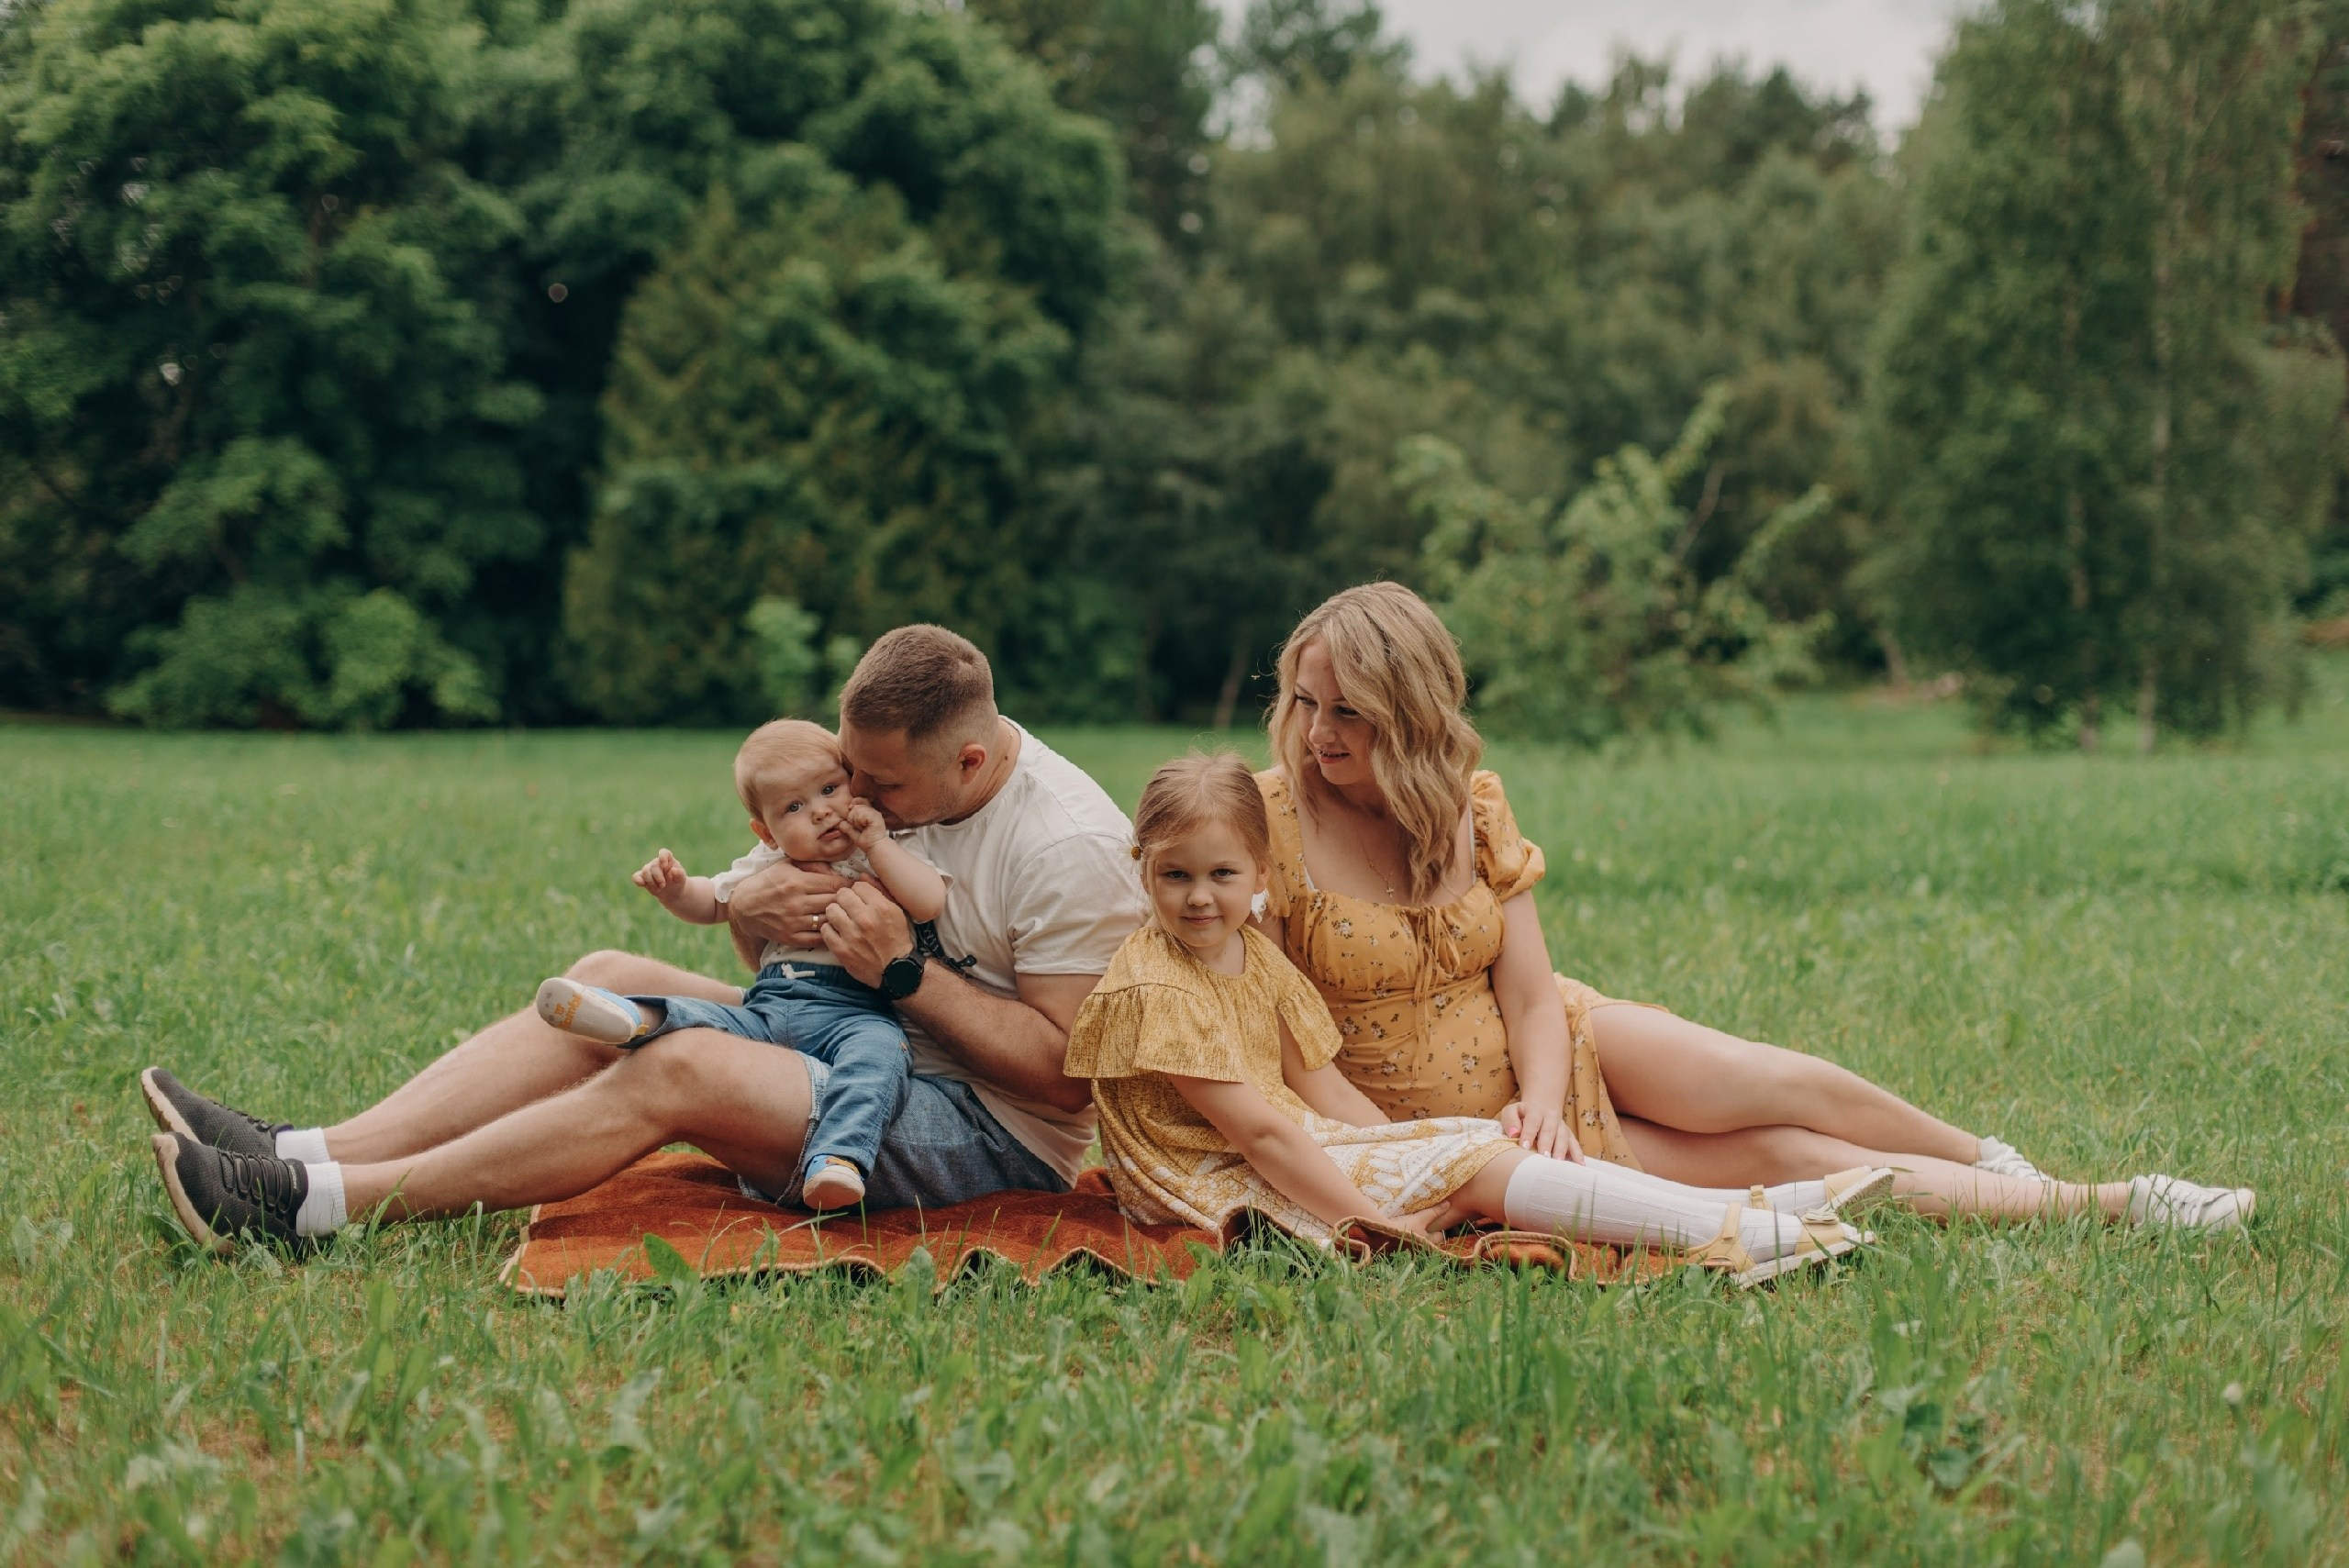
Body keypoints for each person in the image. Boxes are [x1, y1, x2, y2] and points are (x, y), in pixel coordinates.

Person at [1255, 582, 2255, 1231]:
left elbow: (1524, 994)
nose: (1319, 731)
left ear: (1412, 710)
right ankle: (2114, 1204)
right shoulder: (1267, 822)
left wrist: (1547, 1100)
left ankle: (1987, 1153)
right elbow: (1281, 1045)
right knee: (1795, 1163)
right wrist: (1503, 1140)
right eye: (1305, 701)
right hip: (1456, 1123)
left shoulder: (1468, 804)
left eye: (1348, 709)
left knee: (1781, 1079)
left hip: (1555, 1052)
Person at [142, 626, 1148, 1253]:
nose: (858, 804)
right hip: (846, 1030)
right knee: (607, 976)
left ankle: (314, 1206)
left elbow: (1069, 1081)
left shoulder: (1068, 846)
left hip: (984, 1133)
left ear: (970, 758)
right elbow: (788, 972)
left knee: (680, 1064)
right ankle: (305, 1147)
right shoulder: (900, 778)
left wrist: (904, 969)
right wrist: (757, 916)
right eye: (850, 776)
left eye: (878, 790)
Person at [1067, 753, 1884, 1286]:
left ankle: (1774, 1207)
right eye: (1173, 874)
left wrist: (1410, 1150)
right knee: (1472, 1165)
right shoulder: (1155, 985)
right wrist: (1381, 1223)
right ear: (1142, 868)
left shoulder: (1256, 953)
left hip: (1283, 1144)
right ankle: (1734, 1229)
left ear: (1259, 874)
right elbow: (1264, 1136)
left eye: (1220, 873)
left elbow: (1320, 1087)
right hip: (1204, 1180)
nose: (1199, 895)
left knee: (1466, 1146)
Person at [531, 717, 949, 1212]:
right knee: (709, 1022)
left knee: (881, 1056)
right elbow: (713, 902)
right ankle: (632, 1018)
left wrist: (878, 844)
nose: (820, 813)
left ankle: (838, 1160)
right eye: (794, 807)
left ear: (855, 785)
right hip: (773, 1003)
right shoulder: (765, 863)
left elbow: (928, 901)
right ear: (766, 833)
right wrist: (676, 890)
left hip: (856, 1012)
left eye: (829, 789)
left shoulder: (885, 849)